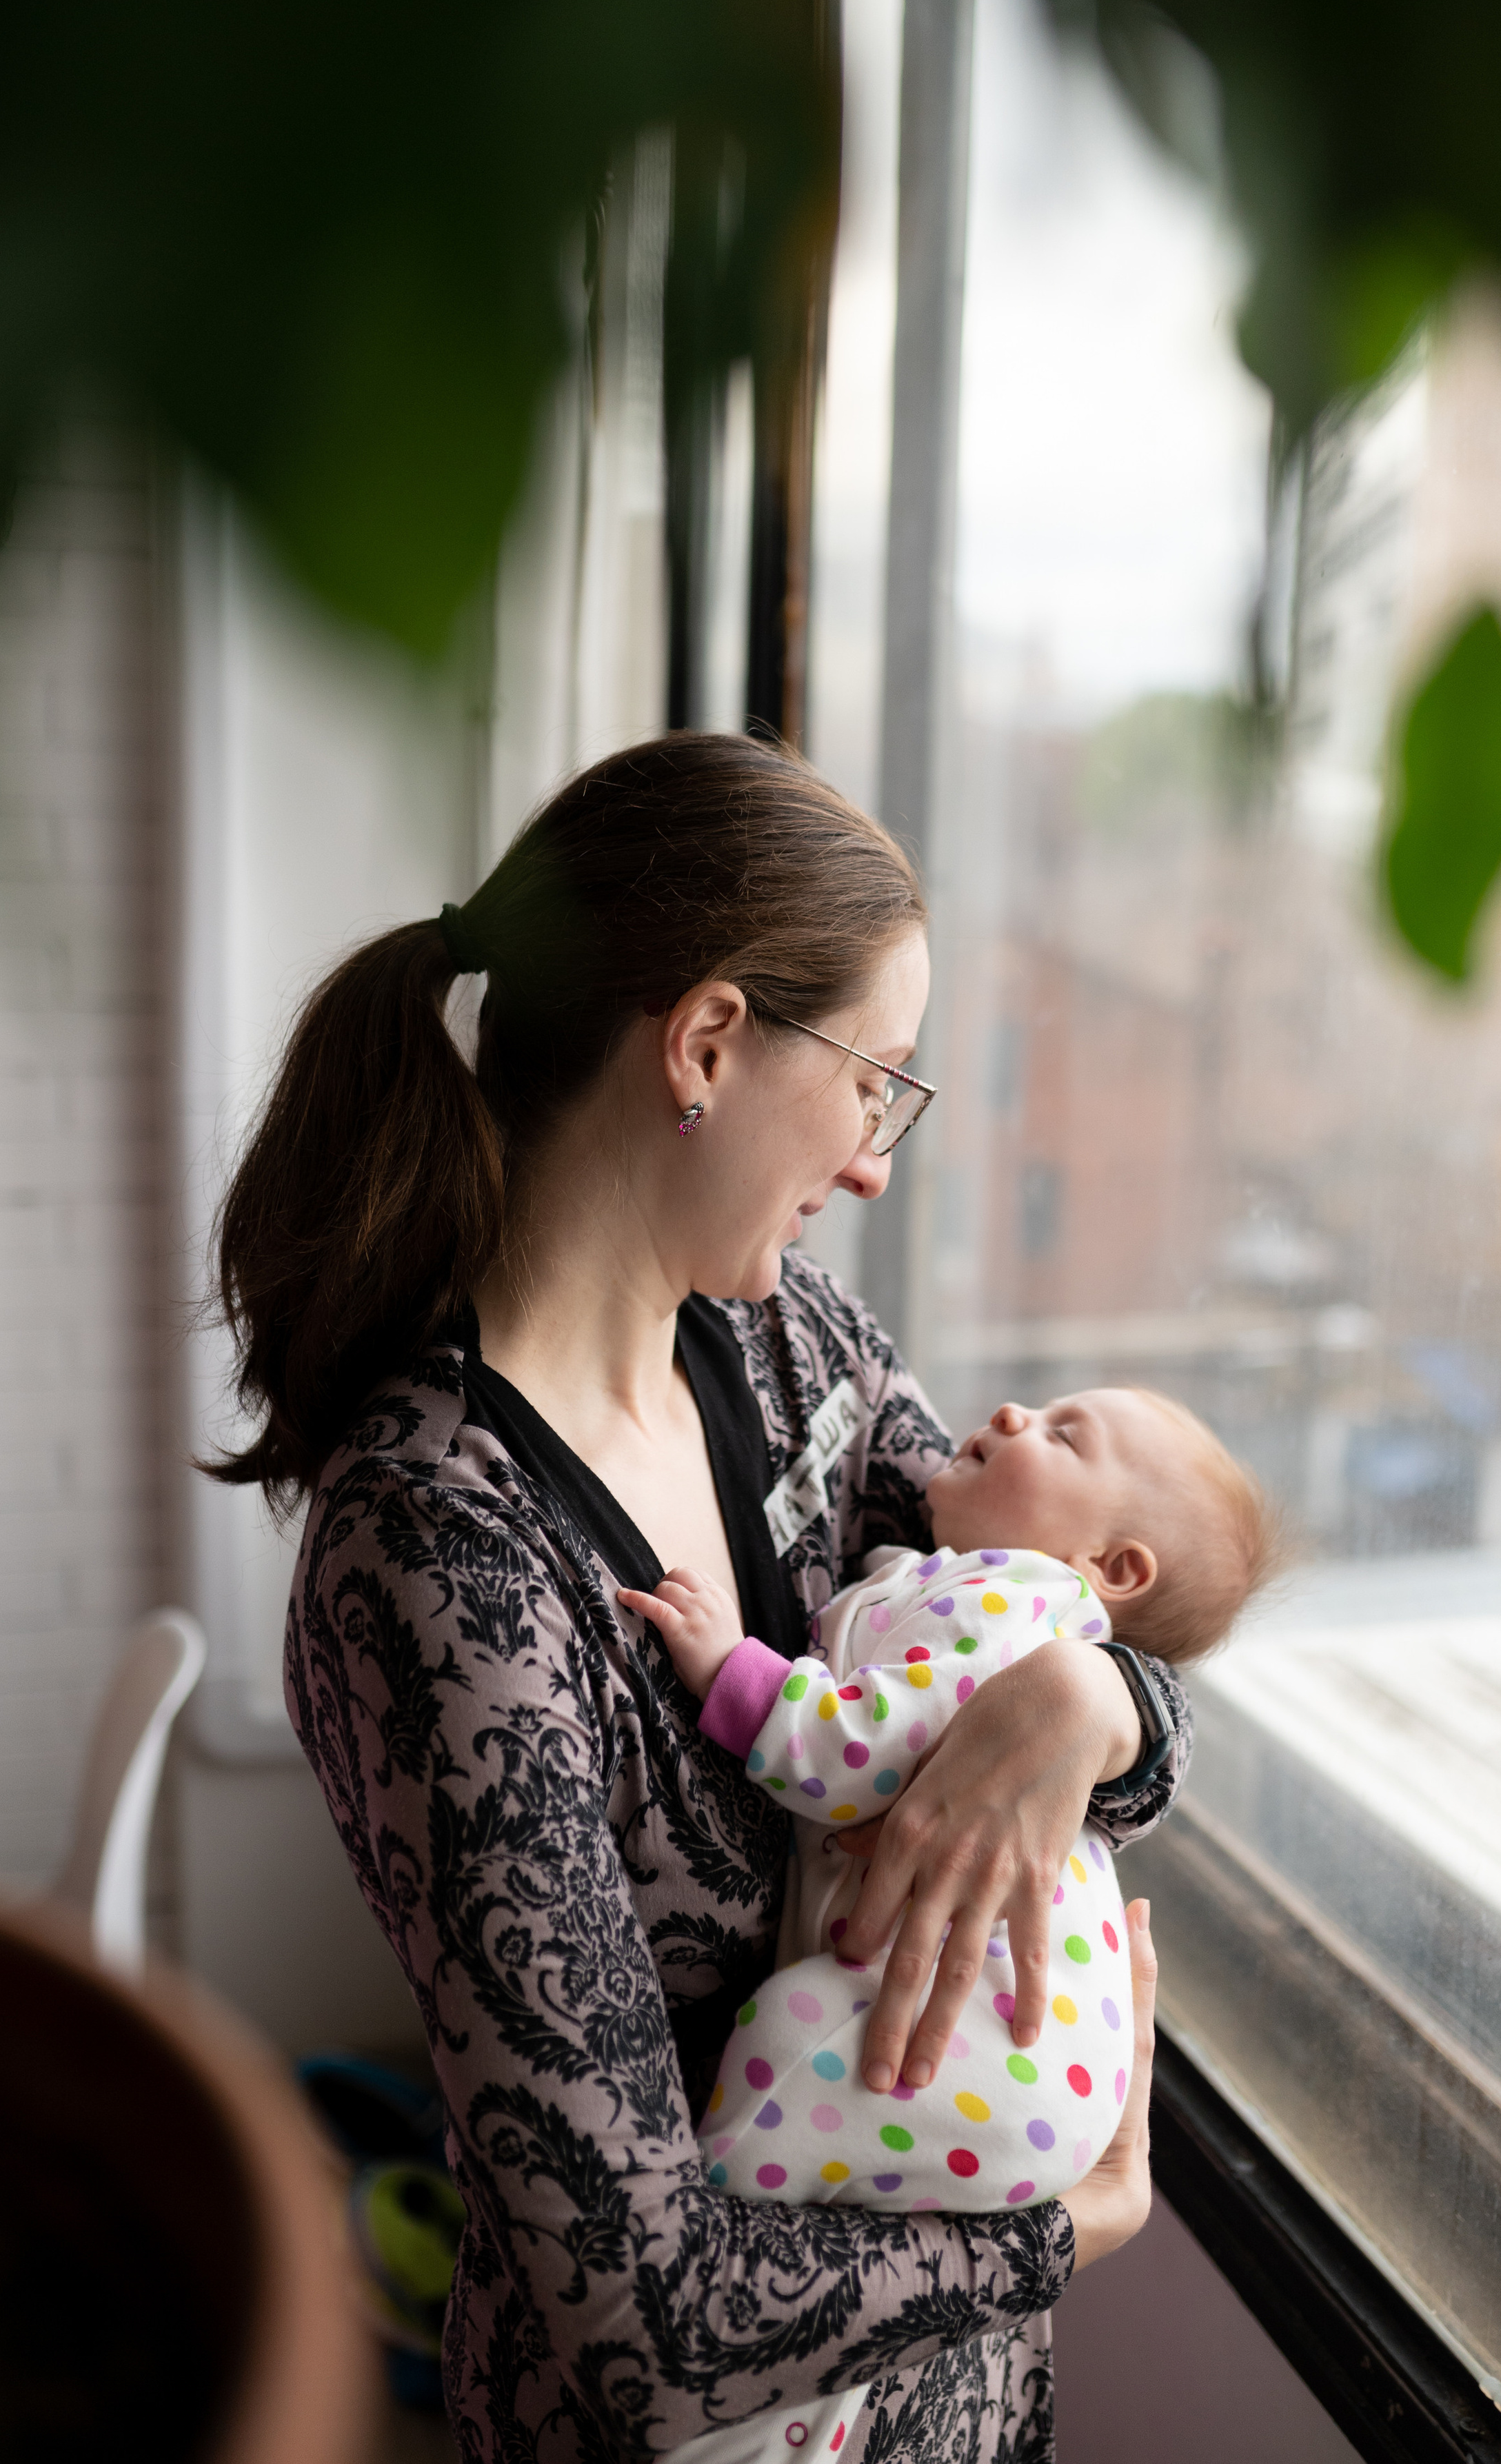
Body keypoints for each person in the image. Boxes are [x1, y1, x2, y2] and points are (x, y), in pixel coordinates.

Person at [208, 731, 1192, 2463]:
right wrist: (1067, 2231)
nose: (878, 1160)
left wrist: (1093, 1706)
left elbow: (1043, 1614)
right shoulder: (445, 1559)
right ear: (709, 1041)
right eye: (876, 1080)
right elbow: (647, 2330)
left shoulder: (791, 1342)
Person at [614, 1386, 1276, 2464]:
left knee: (778, 2078)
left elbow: (855, 1754)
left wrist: (730, 1667)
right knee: (825, 2246)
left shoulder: (1016, 1605)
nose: (1014, 1409)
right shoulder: (961, 1578)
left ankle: (723, 2421)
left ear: (1114, 1569)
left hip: (985, 2047)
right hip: (1011, 2067)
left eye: (1065, 1434)